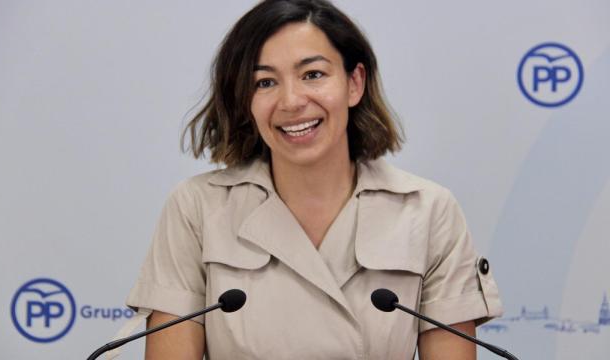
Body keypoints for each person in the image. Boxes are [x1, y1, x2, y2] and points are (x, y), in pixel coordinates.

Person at [126, 0, 503, 359]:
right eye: (264, 83)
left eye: (313, 75)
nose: (291, 101)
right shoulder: (196, 208)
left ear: (354, 83)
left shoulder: (427, 210)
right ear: (244, 99)